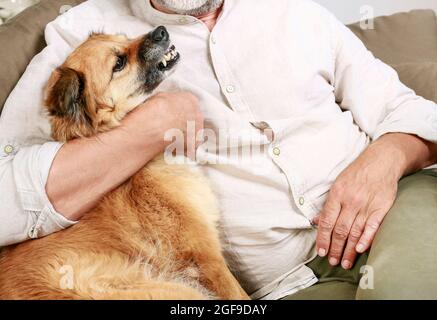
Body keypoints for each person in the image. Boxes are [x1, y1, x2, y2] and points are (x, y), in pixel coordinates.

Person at [1, 0, 436, 300]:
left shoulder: (294, 11)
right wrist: (149, 127)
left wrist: (386, 160)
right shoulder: (78, 33)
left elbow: (406, 108)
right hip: (284, 285)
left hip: (393, 208)